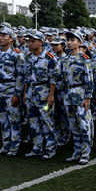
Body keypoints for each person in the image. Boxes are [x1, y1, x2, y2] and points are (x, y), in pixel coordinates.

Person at [0, 27, 25, 156]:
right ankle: (5, 145)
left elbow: (20, 76)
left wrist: (17, 94)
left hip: (10, 90)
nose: (1, 38)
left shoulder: (17, 54)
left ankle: (14, 147)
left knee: (14, 120)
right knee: (3, 120)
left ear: (11, 39)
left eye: (4, 35)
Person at [22, 30, 59, 160]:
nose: (29, 44)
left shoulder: (49, 57)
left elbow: (53, 78)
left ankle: (50, 148)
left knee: (46, 120)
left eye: (33, 41)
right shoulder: (28, 57)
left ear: (41, 42)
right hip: (31, 94)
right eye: (28, 41)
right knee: (33, 121)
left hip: (44, 95)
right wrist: (25, 94)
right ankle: (37, 147)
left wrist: (51, 95)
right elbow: (26, 78)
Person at [60, 31, 94, 165]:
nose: (69, 42)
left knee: (84, 125)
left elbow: (89, 81)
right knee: (73, 125)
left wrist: (87, 98)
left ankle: (85, 153)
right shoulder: (65, 59)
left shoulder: (84, 59)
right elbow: (62, 79)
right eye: (68, 40)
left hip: (80, 93)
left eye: (73, 40)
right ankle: (77, 151)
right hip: (68, 94)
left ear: (80, 42)